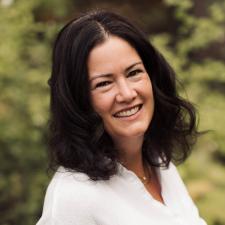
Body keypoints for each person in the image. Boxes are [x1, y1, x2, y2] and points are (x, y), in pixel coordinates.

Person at [36, 10, 207, 225]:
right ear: (78, 100)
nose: (127, 94)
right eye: (104, 83)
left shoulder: (160, 164)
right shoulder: (74, 199)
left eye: (134, 73)